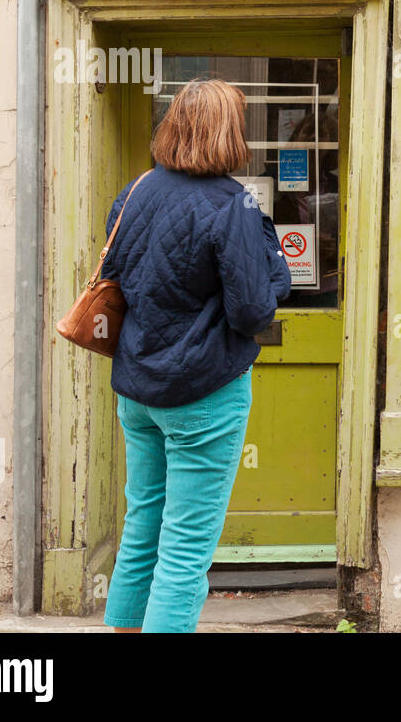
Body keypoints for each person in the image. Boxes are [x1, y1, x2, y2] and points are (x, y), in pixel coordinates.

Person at [98, 78, 291, 633]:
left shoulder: (137, 191)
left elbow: (120, 276)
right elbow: (254, 312)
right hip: (203, 393)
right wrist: (273, 267)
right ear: (230, 133)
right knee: (185, 549)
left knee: (143, 527)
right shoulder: (232, 204)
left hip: (137, 387)